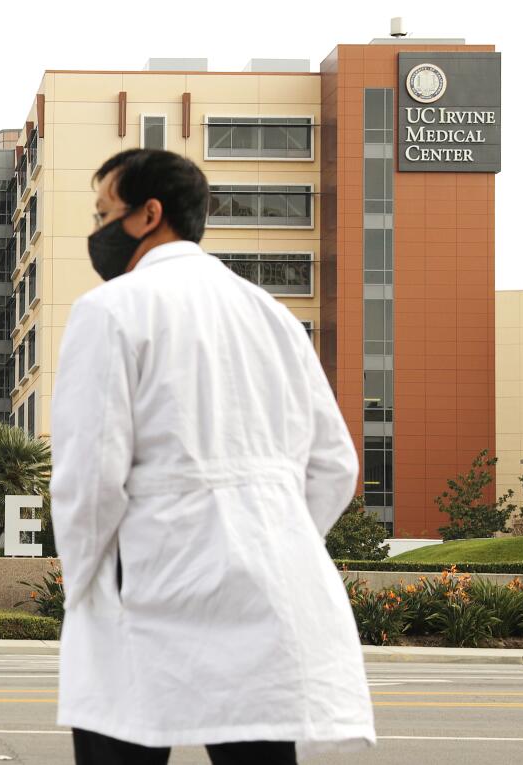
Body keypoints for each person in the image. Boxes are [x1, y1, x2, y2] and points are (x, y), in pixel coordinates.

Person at [50, 149, 375, 764]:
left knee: (123, 742)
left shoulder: (111, 309)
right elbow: (334, 464)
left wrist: (84, 583)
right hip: (263, 589)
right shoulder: (273, 316)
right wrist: (270, 533)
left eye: (103, 214)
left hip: (148, 582)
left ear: (150, 214)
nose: (97, 233)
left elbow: (91, 475)